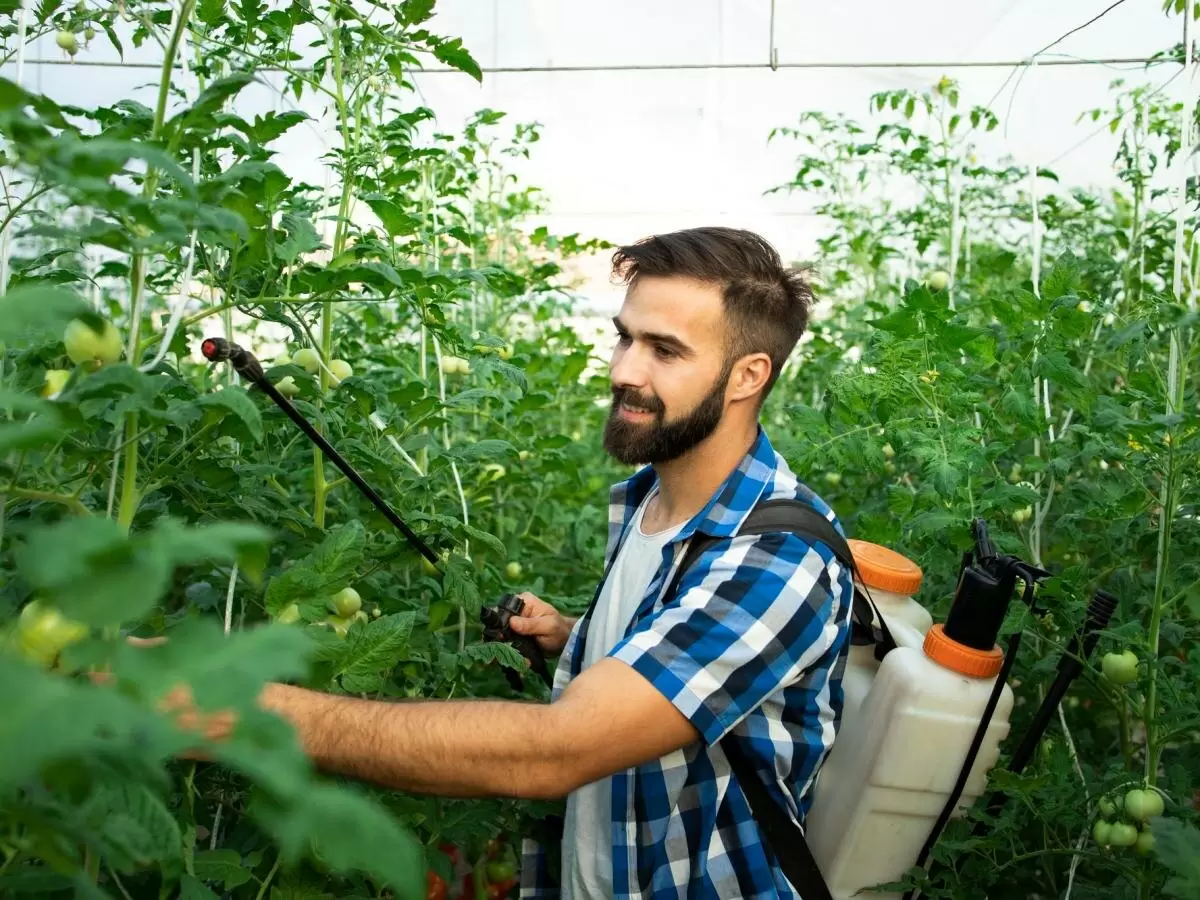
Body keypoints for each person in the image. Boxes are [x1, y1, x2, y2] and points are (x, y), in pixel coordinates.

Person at [143, 227, 855, 899]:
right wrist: (573, 638)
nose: (622, 370)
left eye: (664, 351)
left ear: (746, 376)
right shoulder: (653, 500)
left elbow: (554, 753)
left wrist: (236, 711)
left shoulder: (777, 555)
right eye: (624, 338)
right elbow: (687, 661)